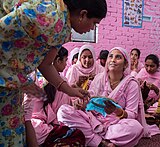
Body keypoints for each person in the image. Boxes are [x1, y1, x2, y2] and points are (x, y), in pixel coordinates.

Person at [0, 0, 107, 146]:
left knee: (12, 129)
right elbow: (6, 25)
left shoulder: (61, 26)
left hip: (12, 78)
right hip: (6, 75)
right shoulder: (52, 19)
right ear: (83, 14)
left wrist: (71, 91)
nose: (92, 28)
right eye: (94, 23)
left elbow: (45, 64)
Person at [57, 47, 148, 147]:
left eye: (118, 57)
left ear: (125, 64)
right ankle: (101, 142)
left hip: (115, 123)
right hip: (93, 119)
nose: (113, 60)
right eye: (111, 56)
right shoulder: (99, 78)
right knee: (63, 111)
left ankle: (92, 136)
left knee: (136, 128)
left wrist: (117, 111)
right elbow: (89, 102)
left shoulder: (131, 84)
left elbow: (132, 114)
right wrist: (81, 104)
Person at [24, 47, 85, 146]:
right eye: (65, 60)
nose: (66, 64)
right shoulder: (57, 80)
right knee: (77, 135)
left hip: (34, 127)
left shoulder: (35, 77)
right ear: (57, 60)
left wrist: (72, 90)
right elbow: (61, 110)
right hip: (38, 127)